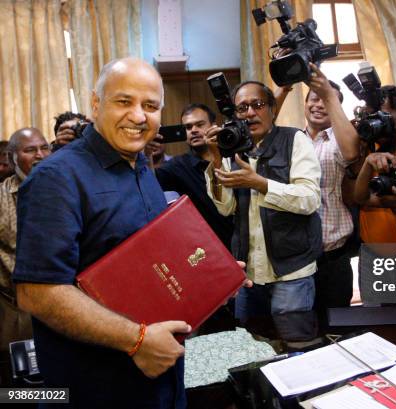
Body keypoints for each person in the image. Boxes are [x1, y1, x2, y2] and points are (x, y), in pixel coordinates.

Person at [13, 58, 193, 408]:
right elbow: (38, 292)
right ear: (96, 104)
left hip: (162, 385)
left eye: (151, 106)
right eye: (124, 102)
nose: (139, 116)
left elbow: (143, 254)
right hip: (96, 389)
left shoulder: (141, 165)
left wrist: (205, 271)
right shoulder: (57, 178)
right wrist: (137, 340)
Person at [205, 80, 322, 323]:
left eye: (257, 105)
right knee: (251, 347)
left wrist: (260, 183)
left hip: (292, 273)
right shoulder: (233, 149)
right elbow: (226, 208)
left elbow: (310, 199)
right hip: (248, 274)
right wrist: (216, 158)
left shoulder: (294, 140)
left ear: (272, 109)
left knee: (294, 344)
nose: (249, 113)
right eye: (242, 108)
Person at [303, 66, 360, 311]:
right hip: (298, 259)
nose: (319, 105)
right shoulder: (293, 140)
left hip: (334, 258)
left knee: (338, 329)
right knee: (301, 330)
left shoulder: (340, 140)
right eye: (314, 99)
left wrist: (329, 95)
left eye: (326, 101)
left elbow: (351, 153)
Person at [0, 128, 50, 386]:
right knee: (25, 388)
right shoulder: (1, 198)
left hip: (67, 308)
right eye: (30, 150)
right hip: (18, 312)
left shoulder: (64, 190)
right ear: (12, 159)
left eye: (44, 148)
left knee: (65, 386)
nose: (40, 155)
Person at [152, 103, 233, 248]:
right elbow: (148, 181)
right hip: (207, 248)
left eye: (200, 125)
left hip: (246, 244)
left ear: (213, 125)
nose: (194, 130)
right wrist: (145, 151)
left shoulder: (233, 157)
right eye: (188, 127)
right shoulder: (178, 166)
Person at [355, 85, 396, 244]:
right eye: (370, 116)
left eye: (382, 116)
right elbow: (358, 198)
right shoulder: (368, 150)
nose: (374, 123)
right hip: (371, 253)